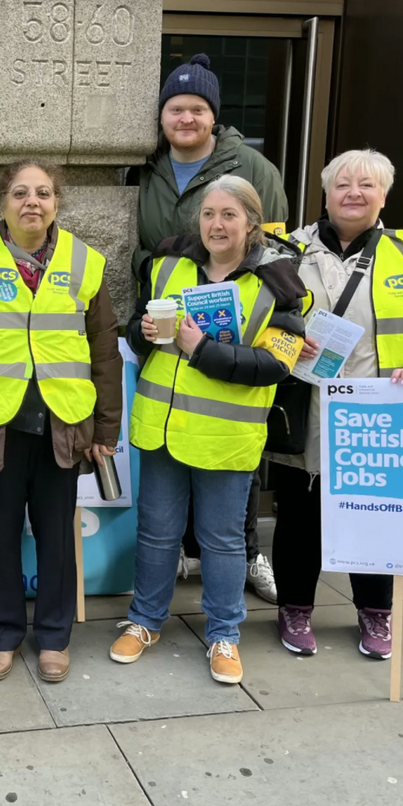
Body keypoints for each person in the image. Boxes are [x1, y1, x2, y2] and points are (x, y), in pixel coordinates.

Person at [268, 149, 403, 660]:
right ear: (326, 192)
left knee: (374, 516)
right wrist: (285, 342)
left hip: (378, 415)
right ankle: (294, 608)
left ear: (384, 195)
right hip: (303, 408)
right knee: (299, 517)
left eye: (367, 185)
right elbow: (255, 320)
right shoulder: (285, 250)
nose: (353, 193)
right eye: (343, 184)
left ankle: (376, 612)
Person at [0, 159, 123, 683]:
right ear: (2, 202)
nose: (31, 202)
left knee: (57, 536)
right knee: (1, 534)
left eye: (42, 192)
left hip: (65, 423)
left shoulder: (86, 263)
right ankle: (2, 635)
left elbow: (106, 352)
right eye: (19, 193)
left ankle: (54, 637)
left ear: (57, 202)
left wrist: (106, 430)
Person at [112, 176, 305, 685]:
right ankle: (145, 620)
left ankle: (224, 634)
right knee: (157, 534)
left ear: (251, 223)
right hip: (162, 428)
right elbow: (136, 331)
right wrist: (143, 333)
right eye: (208, 214)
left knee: (222, 541)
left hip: (225, 436)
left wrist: (201, 350)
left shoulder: (279, 283)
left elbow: (276, 365)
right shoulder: (167, 265)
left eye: (229, 215)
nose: (216, 225)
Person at [129, 53, 289, 604]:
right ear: (162, 116)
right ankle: (170, 570)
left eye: (197, 108)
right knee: (163, 501)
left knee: (228, 494)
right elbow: (138, 247)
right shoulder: (146, 168)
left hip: (234, 338)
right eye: (176, 108)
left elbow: (275, 247)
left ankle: (245, 557)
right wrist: (148, 299)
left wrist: (280, 311)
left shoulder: (253, 168)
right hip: (168, 324)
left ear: (214, 115)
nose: (186, 118)